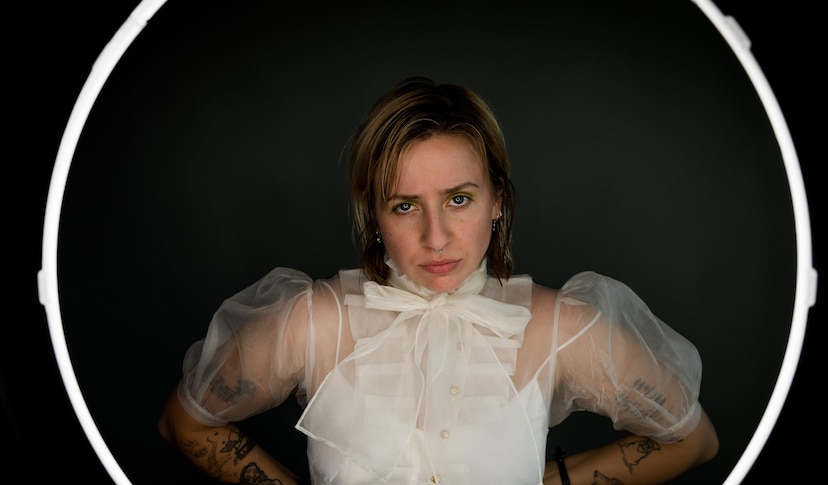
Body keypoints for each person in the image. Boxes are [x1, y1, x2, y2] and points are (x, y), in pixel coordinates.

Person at [158, 76, 719, 484]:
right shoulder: (313, 320)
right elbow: (186, 424)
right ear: (374, 216)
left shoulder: (560, 326)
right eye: (405, 206)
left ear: (498, 201)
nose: (436, 237)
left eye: (458, 199)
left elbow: (693, 440)